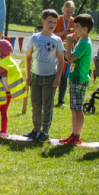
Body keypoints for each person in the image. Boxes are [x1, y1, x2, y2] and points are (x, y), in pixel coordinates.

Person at [24, 9, 65, 142]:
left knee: (47, 106)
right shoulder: (34, 38)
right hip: (35, 76)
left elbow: (60, 60)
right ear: (42, 22)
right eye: (49, 22)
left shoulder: (57, 40)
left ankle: (45, 132)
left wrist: (58, 78)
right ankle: (36, 130)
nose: (52, 25)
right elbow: (28, 57)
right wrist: (28, 75)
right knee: (36, 104)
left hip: (50, 77)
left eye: (54, 22)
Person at [59, 13, 94, 146]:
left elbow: (69, 58)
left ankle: (77, 135)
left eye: (77, 27)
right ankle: (74, 134)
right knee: (74, 108)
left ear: (85, 29)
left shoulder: (84, 43)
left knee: (77, 108)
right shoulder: (82, 41)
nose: (75, 30)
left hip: (79, 79)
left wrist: (68, 42)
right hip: (76, 77)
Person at [54, 0, 75, 107]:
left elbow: (76, 35)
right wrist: (63, 33)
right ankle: (51, 96)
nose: (69, 14)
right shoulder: (57, 19)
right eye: (68, 12)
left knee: (64, 75)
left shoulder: (74, 21)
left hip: (67, 50)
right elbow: (51, 33)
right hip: (56, 49)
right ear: (63, 9)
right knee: (54, 72)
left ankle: (61, 99)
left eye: (71, 12)